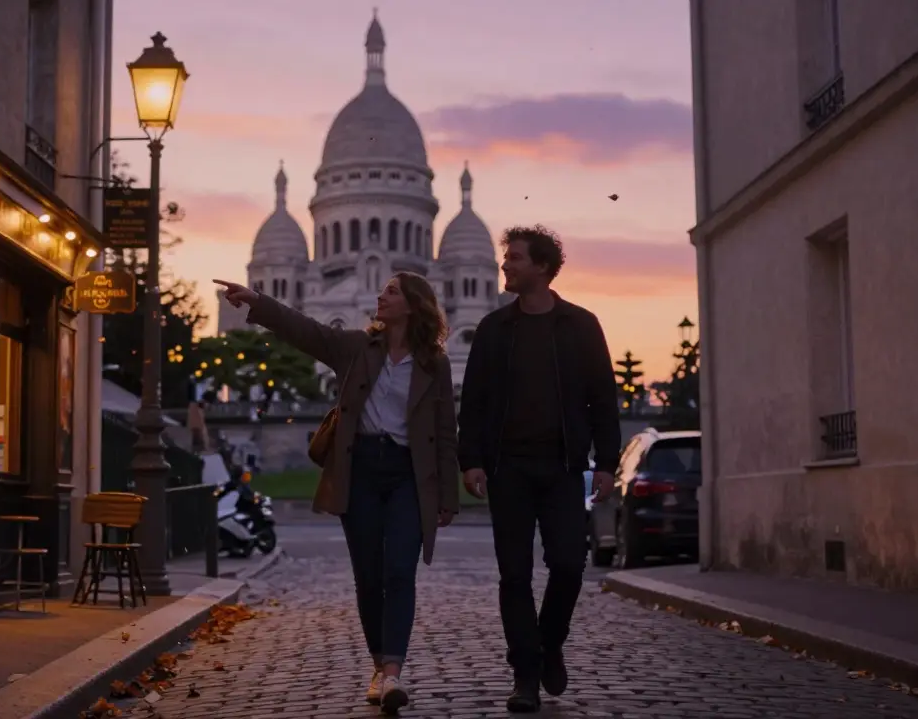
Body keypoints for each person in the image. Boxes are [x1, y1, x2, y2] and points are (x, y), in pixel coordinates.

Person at [215, 273, 460, 713]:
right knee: (369, 575)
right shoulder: (355, 347)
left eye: (390, 291)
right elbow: (305, 331)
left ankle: (392, 674)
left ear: (413, 305)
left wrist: (448, 496)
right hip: (360, 468)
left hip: (407, 474)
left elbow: (445, 432)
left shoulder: (435, 363)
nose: (379, 295)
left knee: (400, 571)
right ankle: (378, 666)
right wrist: (258, 301)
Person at [457, 225, 621, 713]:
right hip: (508, 468)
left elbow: (603, 403)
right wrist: (472, 461)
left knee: (570, 564)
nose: (504, 265)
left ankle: (548, 644)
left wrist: (607, 464)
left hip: (563, 467)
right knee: (514, 575)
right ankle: (525, 674)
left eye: (515, 258)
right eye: (507, 258)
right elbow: (475, 403)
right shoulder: (492, 329)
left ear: (544, 267)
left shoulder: (582, 325)